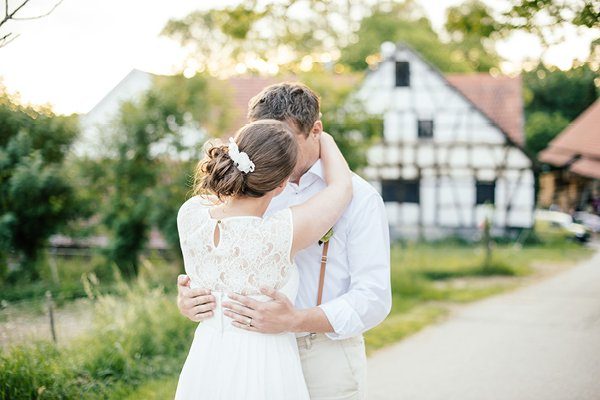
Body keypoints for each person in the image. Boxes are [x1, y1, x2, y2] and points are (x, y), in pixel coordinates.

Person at [177, 82, 392, 399]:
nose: (276, 152)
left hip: (323, 352)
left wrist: (296, 320)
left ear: (315, 130)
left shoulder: (360, 198)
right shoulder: (249, 187)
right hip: (247, 358)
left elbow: (373, 298)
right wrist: (190, 298)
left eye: (286, 140)